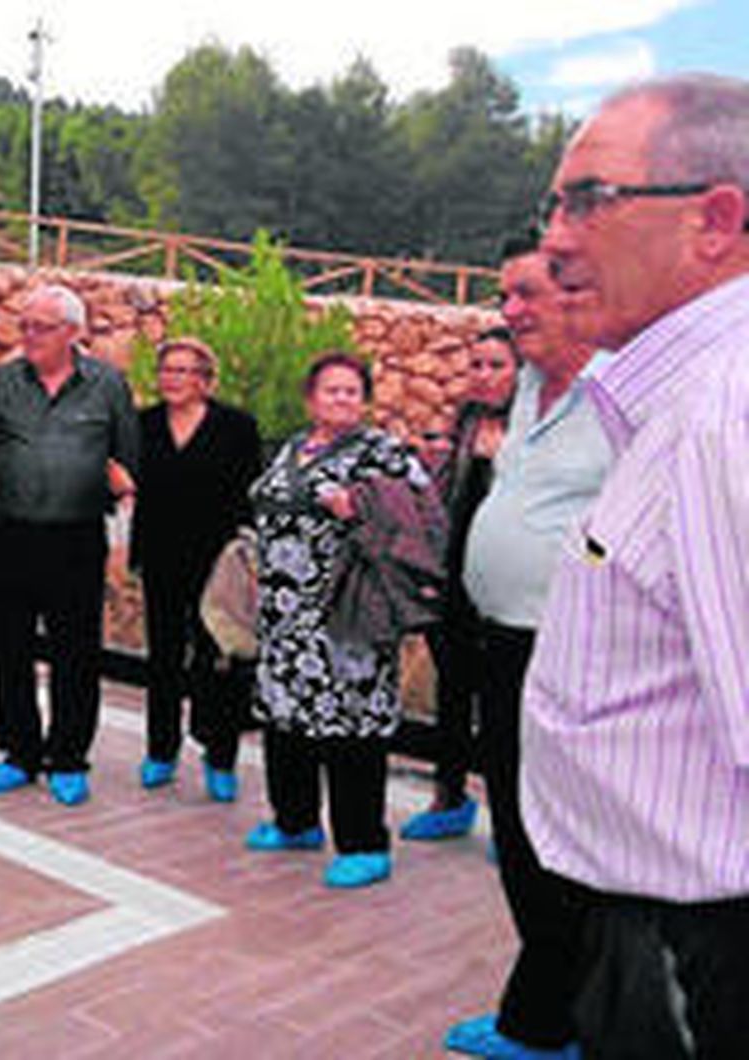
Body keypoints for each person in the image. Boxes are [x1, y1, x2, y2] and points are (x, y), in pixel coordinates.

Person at [522, 74, 749, 1058]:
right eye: (552, 206)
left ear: (716, 221)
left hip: (703, 954)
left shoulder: (724, 417)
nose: (554, 241)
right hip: (660, 931)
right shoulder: (690, 402)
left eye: (590, 199)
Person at [441, 241, 611, 1058]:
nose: (509, 311)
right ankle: (550, 1002)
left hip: (573, 649)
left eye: (527, 293)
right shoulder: (534, 387)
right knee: (515, 821)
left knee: (557, 834)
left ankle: (545, 1019)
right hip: (505, 642)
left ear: (581, 294)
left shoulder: (623, 392)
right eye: (503, 295)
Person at [245, 351, 434, 890]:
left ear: (365, 400)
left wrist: (361, 507)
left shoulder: (382, 452)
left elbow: (423, 513)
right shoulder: (294, 446)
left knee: (351, 726)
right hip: (284, 615)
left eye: (352, 390)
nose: (342, 399)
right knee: (287, 719)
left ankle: (364, 843)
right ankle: (295, 821)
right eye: (331, 389)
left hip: (346, 613)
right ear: (311, 398)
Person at [0, 283, 139, 807]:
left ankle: (68, 759)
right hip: (10, 532)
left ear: (72, 331)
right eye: (23, 325)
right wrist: (26, 480)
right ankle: (19, 754)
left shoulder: (107, 385)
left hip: (76, 538)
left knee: (75, 654)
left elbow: (127, 456)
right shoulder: (5, 380)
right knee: (9, 649)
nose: (28, 336)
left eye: (40, 327)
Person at [129, 337, 261, 800]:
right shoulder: (143, 424)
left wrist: (250, 560)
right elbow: (127, 480)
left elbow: (251, 498)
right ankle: (160, 750)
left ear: (205, 379)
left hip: (218, 565)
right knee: (163, 659)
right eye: (167, 369)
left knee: (218, 661)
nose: (174, 379)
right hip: (161, 558)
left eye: (185, 370)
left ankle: (219, 756)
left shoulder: (236, 427)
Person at [400, 326, 518, 840]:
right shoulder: (465, 423)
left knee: (504, 708)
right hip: (454, 580)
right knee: (452, 694)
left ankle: (511, 820)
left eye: (497, 365)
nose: (484, 375)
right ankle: (449, 798)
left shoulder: (533, 427)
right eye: (477, 365)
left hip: (507, 586)